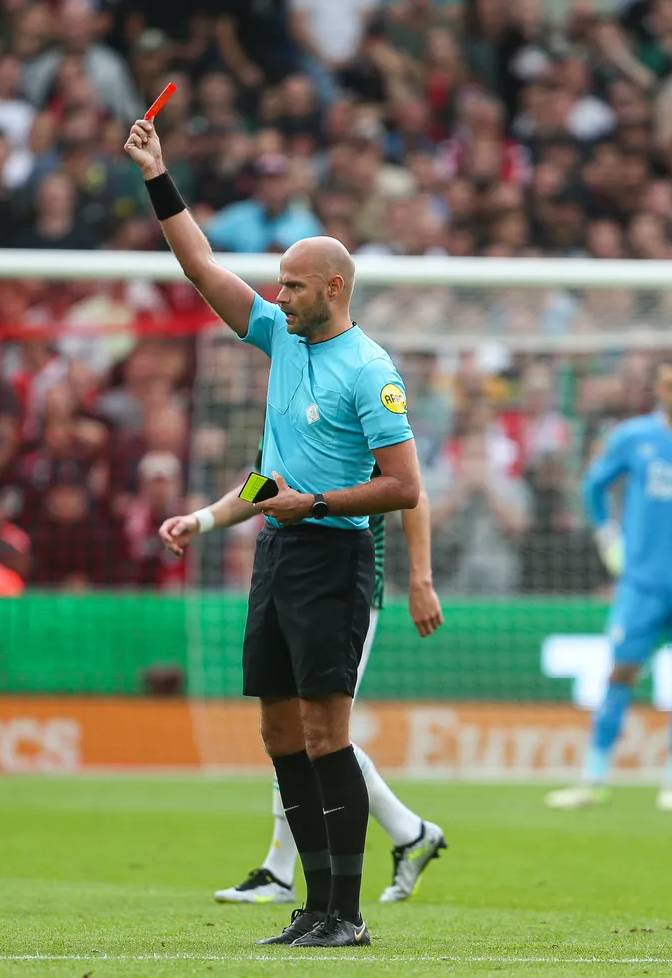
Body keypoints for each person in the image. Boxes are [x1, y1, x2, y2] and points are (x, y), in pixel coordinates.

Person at [125, 116, 423, 948]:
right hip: (279, 549)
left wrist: (317, 505)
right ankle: (312, 908)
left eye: (291, 284)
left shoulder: (370, 370)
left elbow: (403, 486)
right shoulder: (278, 340)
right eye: (278, 284)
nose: (276, 294)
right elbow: (199, 265)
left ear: (332, 289)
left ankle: (346, 911)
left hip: (333, 553)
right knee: (277, 731)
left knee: (330, 734)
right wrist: (158, 176)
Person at [161, 463, 445, 905]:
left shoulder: (353, 406)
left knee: (321, 732)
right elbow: (260, 489)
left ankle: (290, 870)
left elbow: (415, 495)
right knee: (292, 729)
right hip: (290, 579)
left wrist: (421, 582)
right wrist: (200, 520)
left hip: (349, 589)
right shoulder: (284, 416)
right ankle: (408, 834)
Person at [546, 361, 672, 812]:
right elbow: (595, 487)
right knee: (621, 671)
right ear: (659, 388)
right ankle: (593, 777)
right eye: (671, 384)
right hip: (641, 580)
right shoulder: (633, 438)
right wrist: (607, 536)